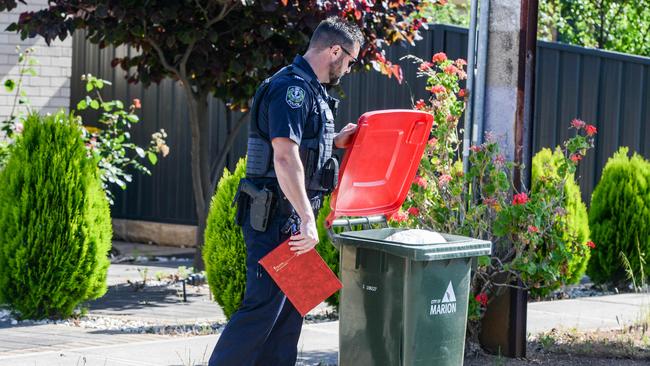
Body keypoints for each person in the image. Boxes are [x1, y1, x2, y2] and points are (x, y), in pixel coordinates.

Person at [208, 16, 363, 366]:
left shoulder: (311, 89)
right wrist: (308, 218)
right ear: (335, 50)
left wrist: (334, 142)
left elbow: (302, 146)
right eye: (350, 60)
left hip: (291, 223)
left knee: (291, 312)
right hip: (276, 219)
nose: (349, 69)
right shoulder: (289, 89)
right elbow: (283, 155)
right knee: (261, 311)